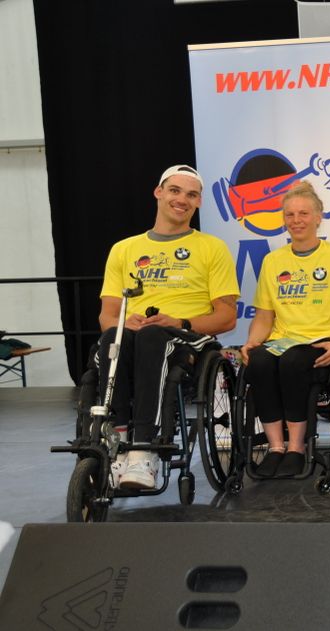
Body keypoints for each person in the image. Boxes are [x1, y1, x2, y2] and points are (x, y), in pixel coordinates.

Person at [97, 165, 239, 489]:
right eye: (175, 190)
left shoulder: (212, 248)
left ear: (198, 202)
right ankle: (117, 441)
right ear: (158, 192)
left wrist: (180, 322)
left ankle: (144, 450)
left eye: (191, 195)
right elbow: (107, 315)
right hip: (135, 336)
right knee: (112, 337)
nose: (182, 200)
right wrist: (124, 323)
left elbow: (227, 317)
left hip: (188, 337)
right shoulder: (124, 249)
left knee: (152, 336)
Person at [240, 181, 330, 478]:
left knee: (293, 361)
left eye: (304, 214)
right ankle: (275, 447)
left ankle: (296, 447)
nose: (296, 220)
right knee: (259, 361)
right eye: (290, 215)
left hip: (322, 340)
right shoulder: (273, 261)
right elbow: (264, 317)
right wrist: (252, 342)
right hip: (283, 340)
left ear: (319, 217)